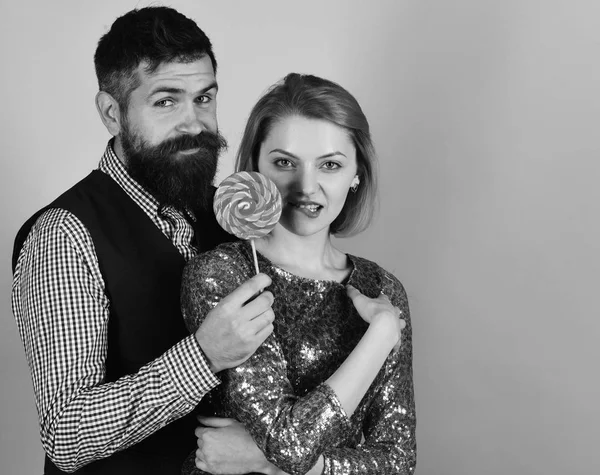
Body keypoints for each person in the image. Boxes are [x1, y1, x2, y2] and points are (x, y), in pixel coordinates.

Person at [11, 7, 275, 475]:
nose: (194, 124)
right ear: (112, 113)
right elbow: (66, 434)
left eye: (205, 98)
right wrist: (204, 355)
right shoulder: (63, 234)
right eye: (166, 101)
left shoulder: (235, 215)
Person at [181, 73, 417, 475]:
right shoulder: (223, 275)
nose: (306, 186)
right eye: (285, 162)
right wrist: (379, 338)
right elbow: (290, 442)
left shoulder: (381, 289)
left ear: (356, 174)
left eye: (330, 165)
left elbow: (397, 461)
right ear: (256, 164)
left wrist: (263, 462)